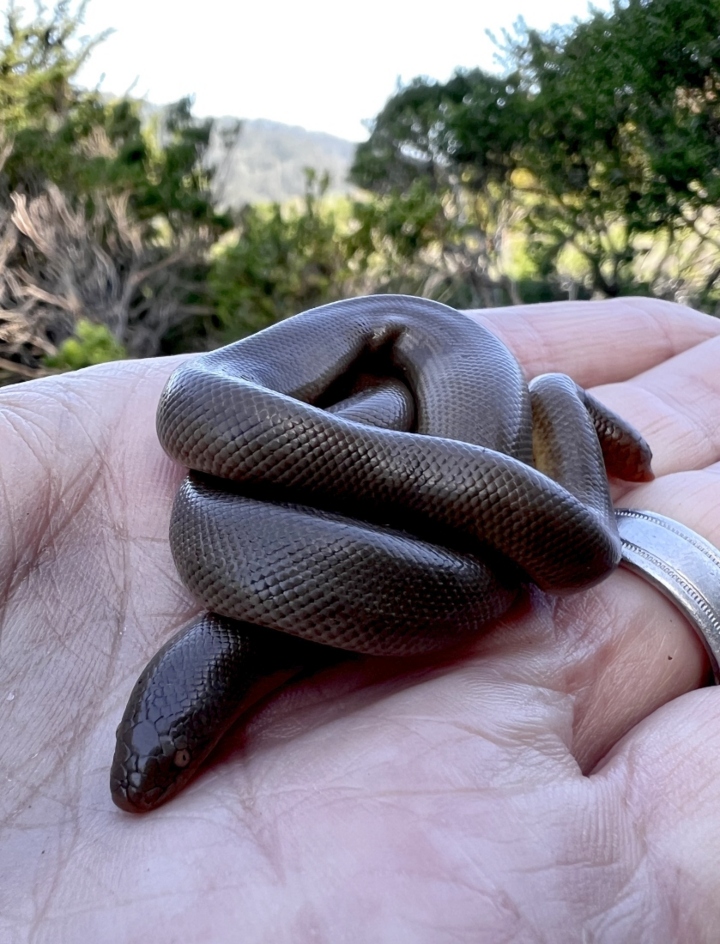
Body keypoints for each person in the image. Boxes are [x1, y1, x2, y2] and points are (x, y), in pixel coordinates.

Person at [1, 297, 719, 943]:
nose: (146, 785)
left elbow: (578, 555)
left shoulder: (221, 486)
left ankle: (556, 406)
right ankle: (555, 405)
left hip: (443, 386)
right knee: (522, 547)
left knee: (565, 547)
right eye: (172, 755)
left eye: (179, 756)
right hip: (438, 416)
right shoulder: (212, 495)